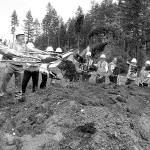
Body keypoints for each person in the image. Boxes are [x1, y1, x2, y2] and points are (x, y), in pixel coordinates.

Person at [0, 31, 27, 100]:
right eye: (21, 35)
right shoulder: (11, 44)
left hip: (20, 66)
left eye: (23, 35)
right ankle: (1, 93)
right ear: (17, 36)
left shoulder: (25, 45)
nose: (23, 37)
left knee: (18, 82)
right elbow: (6, 52)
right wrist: (12, 57)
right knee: (5, 80)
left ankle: (18, 96)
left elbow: (26, 55)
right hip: (11, 65)